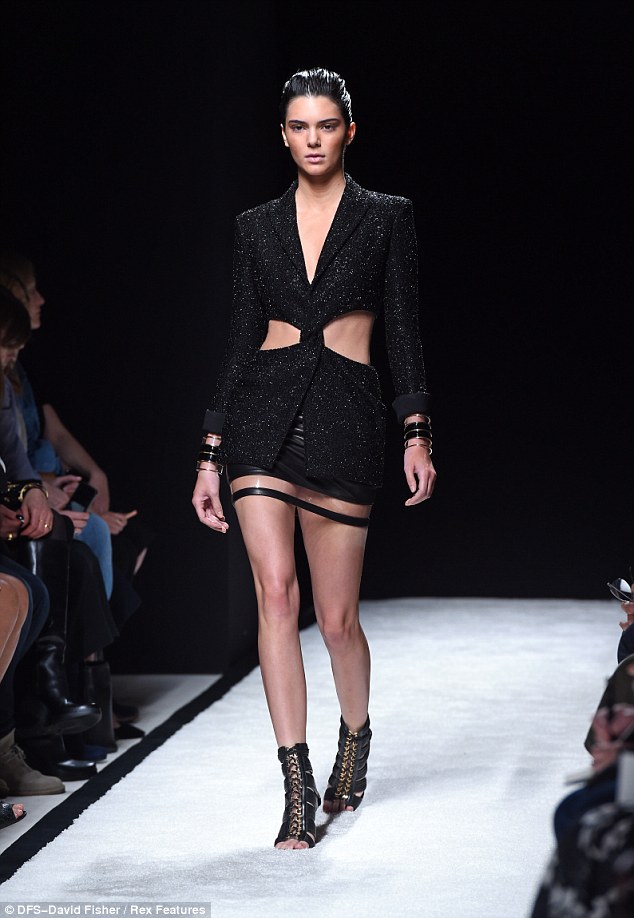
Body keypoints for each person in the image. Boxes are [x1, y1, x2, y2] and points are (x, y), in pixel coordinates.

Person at [192, 68, 436, 849]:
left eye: (326, 125)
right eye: (299, 126)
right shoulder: (255, 226)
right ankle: (296, 787)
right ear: (283, 134)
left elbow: (403, 328)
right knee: (275, 594)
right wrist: (210, 452)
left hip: (346, 418)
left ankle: (354, 737)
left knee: (335, 620)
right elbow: (238, 337)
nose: (313, 139)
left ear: (349, 131)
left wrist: (416, 431)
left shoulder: (387, 216)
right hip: (261, 419)